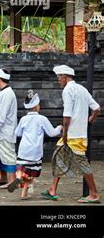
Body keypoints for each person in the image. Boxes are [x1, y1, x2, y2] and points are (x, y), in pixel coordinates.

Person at [42, 65, 101, 203]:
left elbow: (67, 116)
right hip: (78, 133)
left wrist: (65, 134)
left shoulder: (68, 90)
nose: (58, 81)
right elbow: (97, 109)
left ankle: (94, 193)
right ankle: (52, 189)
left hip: (73, 135)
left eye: (59, 78)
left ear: (65, 76)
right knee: (58, 158)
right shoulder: (82, 89)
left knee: (81, 163)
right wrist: (90, 120)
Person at [7, 91, 62, 200]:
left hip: (23, 149)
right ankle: (24, 193)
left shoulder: (23, 119)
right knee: (31, 173)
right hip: (35, 152)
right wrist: (60, 127)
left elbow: (17, 133)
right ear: (37, 106)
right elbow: (52, 133)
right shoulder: (42, 119)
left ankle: (18, 178)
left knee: (21, 168)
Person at [0, 68, 18, 189]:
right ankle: (3, 177)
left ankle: (12, 181)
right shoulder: (3, 92)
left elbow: (2, 115)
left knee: (8, 155)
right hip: (1, 130)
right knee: (0, 155)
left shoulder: (7, 94)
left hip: (5, 130)